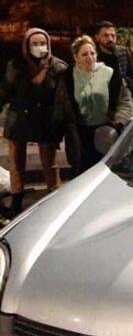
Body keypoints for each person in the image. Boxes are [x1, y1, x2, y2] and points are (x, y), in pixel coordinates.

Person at [0, 28, 68, 216]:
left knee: (49, 162)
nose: (39, 47)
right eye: (35, 43)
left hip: (45, 119)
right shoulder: (16, 66)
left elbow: (62, 98)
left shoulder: (57, 67)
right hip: (19, 118)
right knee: (16, 163)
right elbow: (5, 92)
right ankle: (16, 202)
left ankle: (54, 199)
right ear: (26, 45)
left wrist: (60, 123)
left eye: (42, 43)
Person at [60, 36, 133, 174]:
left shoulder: (109, 73)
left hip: (106, 132)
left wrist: (118, 121)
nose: (90, 57)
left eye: (92, 53)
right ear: (76, 57)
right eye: (84, 54)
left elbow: (125, 101)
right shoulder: (68, 77)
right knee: (83, 174)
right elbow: (63, 105)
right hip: (81, 135)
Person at [94, 21, 133, 110]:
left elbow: (131, 75)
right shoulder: (93, 56)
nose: (110, 39)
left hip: (123, 95)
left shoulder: (122, 52)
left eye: (113, 35)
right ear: (97, 37)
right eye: (105, 35)